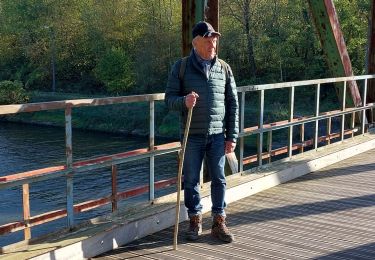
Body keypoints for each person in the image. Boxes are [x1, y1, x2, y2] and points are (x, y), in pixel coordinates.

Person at [165, 21, 239, 243]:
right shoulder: (181, 67)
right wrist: (184, 102)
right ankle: (194, 220)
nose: (213, 44)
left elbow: (232, 103)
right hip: (192, 136)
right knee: (190, 181)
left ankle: (219, 222)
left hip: (217, 135)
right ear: (196, 43)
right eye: (208, 40)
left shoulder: (224, 68)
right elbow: (169, 100)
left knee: (219, 178)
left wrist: (231, 136)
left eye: (214, 40)